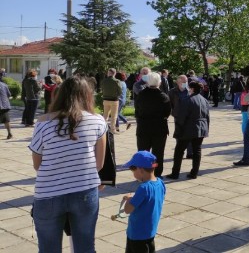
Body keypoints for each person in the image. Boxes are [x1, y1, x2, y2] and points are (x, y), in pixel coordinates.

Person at [29, 77, 107, 252]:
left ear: (60, 94)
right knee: (85, 247)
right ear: (87, 96)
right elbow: (99, 164)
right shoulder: (98, 121)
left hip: (48, 195)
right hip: (85, 192)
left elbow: (37, 165)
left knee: (48, 249)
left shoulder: (42, 123)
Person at [122, 151, 166, 253]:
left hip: (137, 234)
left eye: (133, 169)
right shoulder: (160, 183)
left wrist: (128, 199)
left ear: (140, 170)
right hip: (150, 232)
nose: (132, 173)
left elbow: (127, 210)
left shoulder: (143, 188)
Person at [167, 81, 210, 179]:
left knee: (179, 151)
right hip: (201, 127)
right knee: (197, 150)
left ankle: (175, 173)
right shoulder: (204, 100)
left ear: (192, 89)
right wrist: (207, 128)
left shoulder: (186, 100)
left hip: (188, 128)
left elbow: (181, 117)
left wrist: (178, 129)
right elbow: (207, 116)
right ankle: (194, 173)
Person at [134, 72, 172, 178]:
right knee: (158, 154)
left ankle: (143, 174)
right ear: (159, 82)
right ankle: (156, 173)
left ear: (147, 81)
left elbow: (137, 112)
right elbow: (167, 113)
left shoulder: (141, 95)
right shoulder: (163, 96)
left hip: (143, 129)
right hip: (159, 129)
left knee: (143, 154)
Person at [169, 75, 191, 158]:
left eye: (186, 82)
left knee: (189, 134)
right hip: (178, 116)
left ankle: (190, 153)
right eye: (183, 82)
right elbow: (169, 103)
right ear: (178, 82)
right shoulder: (172, 92)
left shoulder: (189, 91)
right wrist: (173, 112)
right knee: (179, 135)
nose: (185, 83)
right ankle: (180, 152)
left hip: (189, 116)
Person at [101, 68, 122, 134]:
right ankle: (112, 130)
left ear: (108, 73)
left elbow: (102, 89)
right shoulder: (117, 81)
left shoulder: (104, 81)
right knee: (114, 116)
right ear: (114, 73)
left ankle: (103, 130)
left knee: (105, 115)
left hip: (105, 99)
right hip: (114, 100)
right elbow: (120, 91)